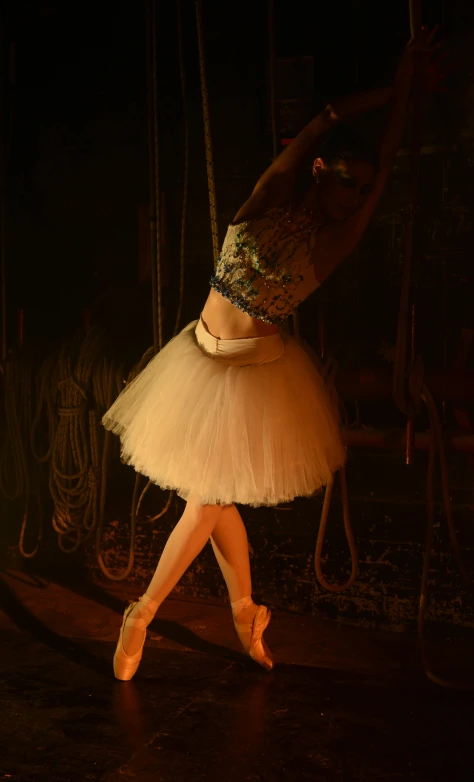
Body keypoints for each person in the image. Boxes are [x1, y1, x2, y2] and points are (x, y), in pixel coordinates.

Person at [102, 28, 438, 681]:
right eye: (344, 180)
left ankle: (141, 611)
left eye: (358, 188)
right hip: (198, 360)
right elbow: (326, 120)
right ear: (318, 169)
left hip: (254, 379)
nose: (350, 195)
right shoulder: (264, 199)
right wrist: (396, 88)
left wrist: (404, 111)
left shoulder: (335, 241)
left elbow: (389, 160)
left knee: (206, 499)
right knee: (216, 501)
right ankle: (246, 611)